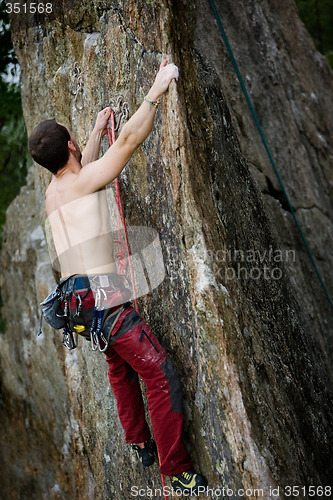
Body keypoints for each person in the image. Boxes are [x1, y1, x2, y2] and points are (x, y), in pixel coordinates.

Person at [28, 59, 207, 494]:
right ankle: (176, 470)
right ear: (68, 146)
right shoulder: (80, 181)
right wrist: (156, 89)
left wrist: (90, 133)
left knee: (119, 365)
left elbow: (82, 168)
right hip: (105, 301)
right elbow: (126, 142)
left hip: (78, 306)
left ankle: (138, 441)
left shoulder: (56, 192)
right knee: (159, 372)